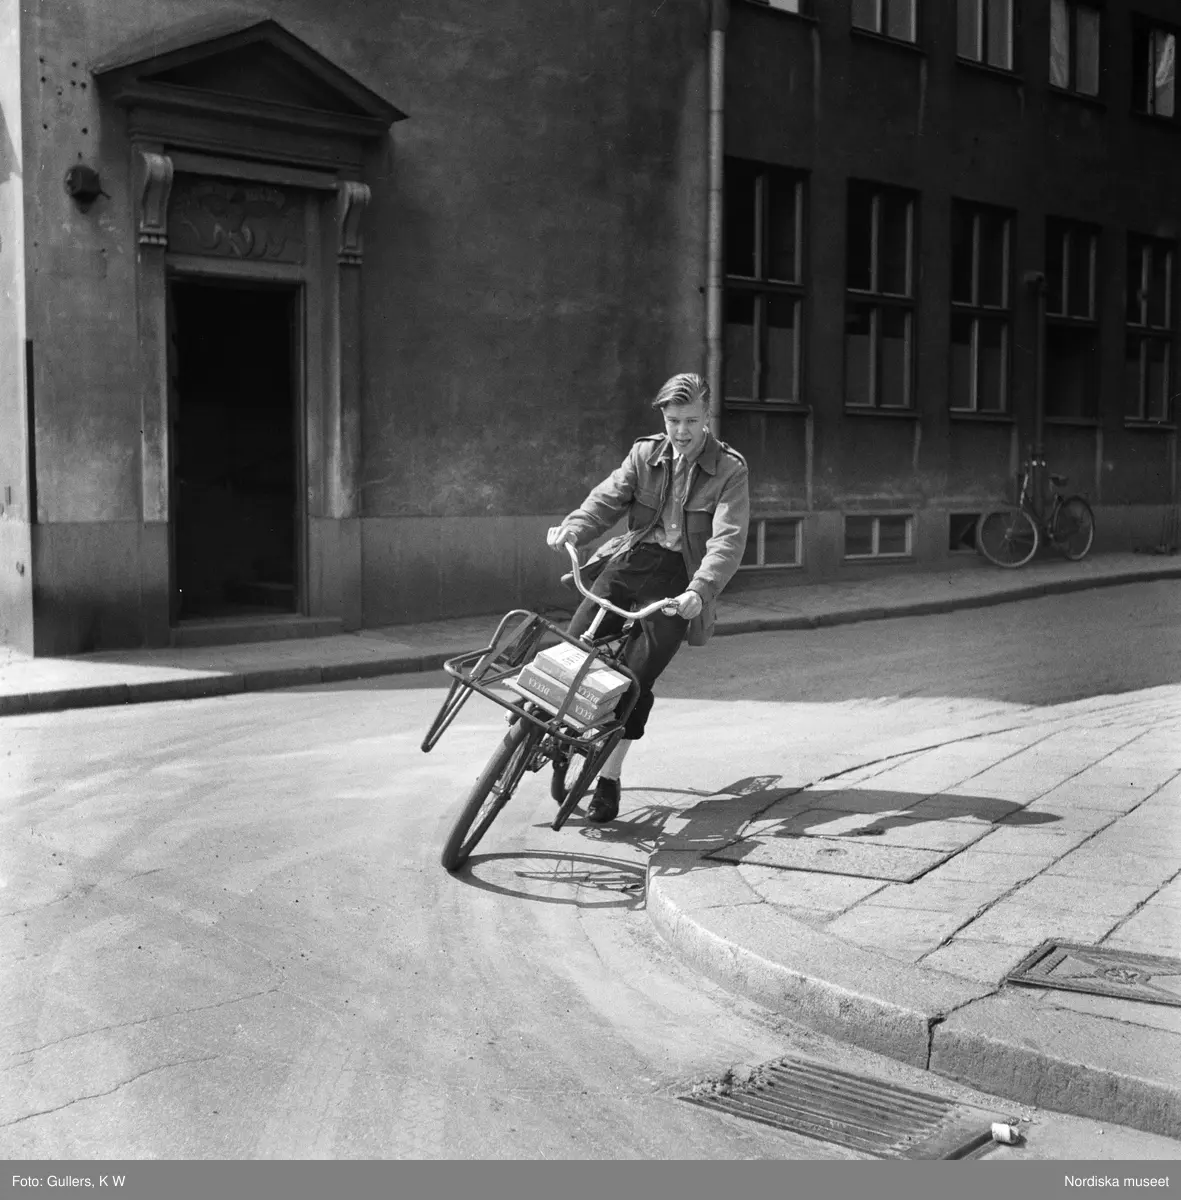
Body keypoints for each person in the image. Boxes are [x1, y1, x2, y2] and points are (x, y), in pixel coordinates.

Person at [546, 372, 750, 823]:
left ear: (706, 417)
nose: (681, 431)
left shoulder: (730, 470)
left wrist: (700, 591)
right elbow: (605, 501)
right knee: (573, 650)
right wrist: (573, 530)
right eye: (674, 420)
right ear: (663, 416)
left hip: (682, 580)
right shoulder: (645, 453)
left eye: (691, 421)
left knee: (636, 683)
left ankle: (609, 777)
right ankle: (552, 733)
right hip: (632, 562)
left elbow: (728, 539)